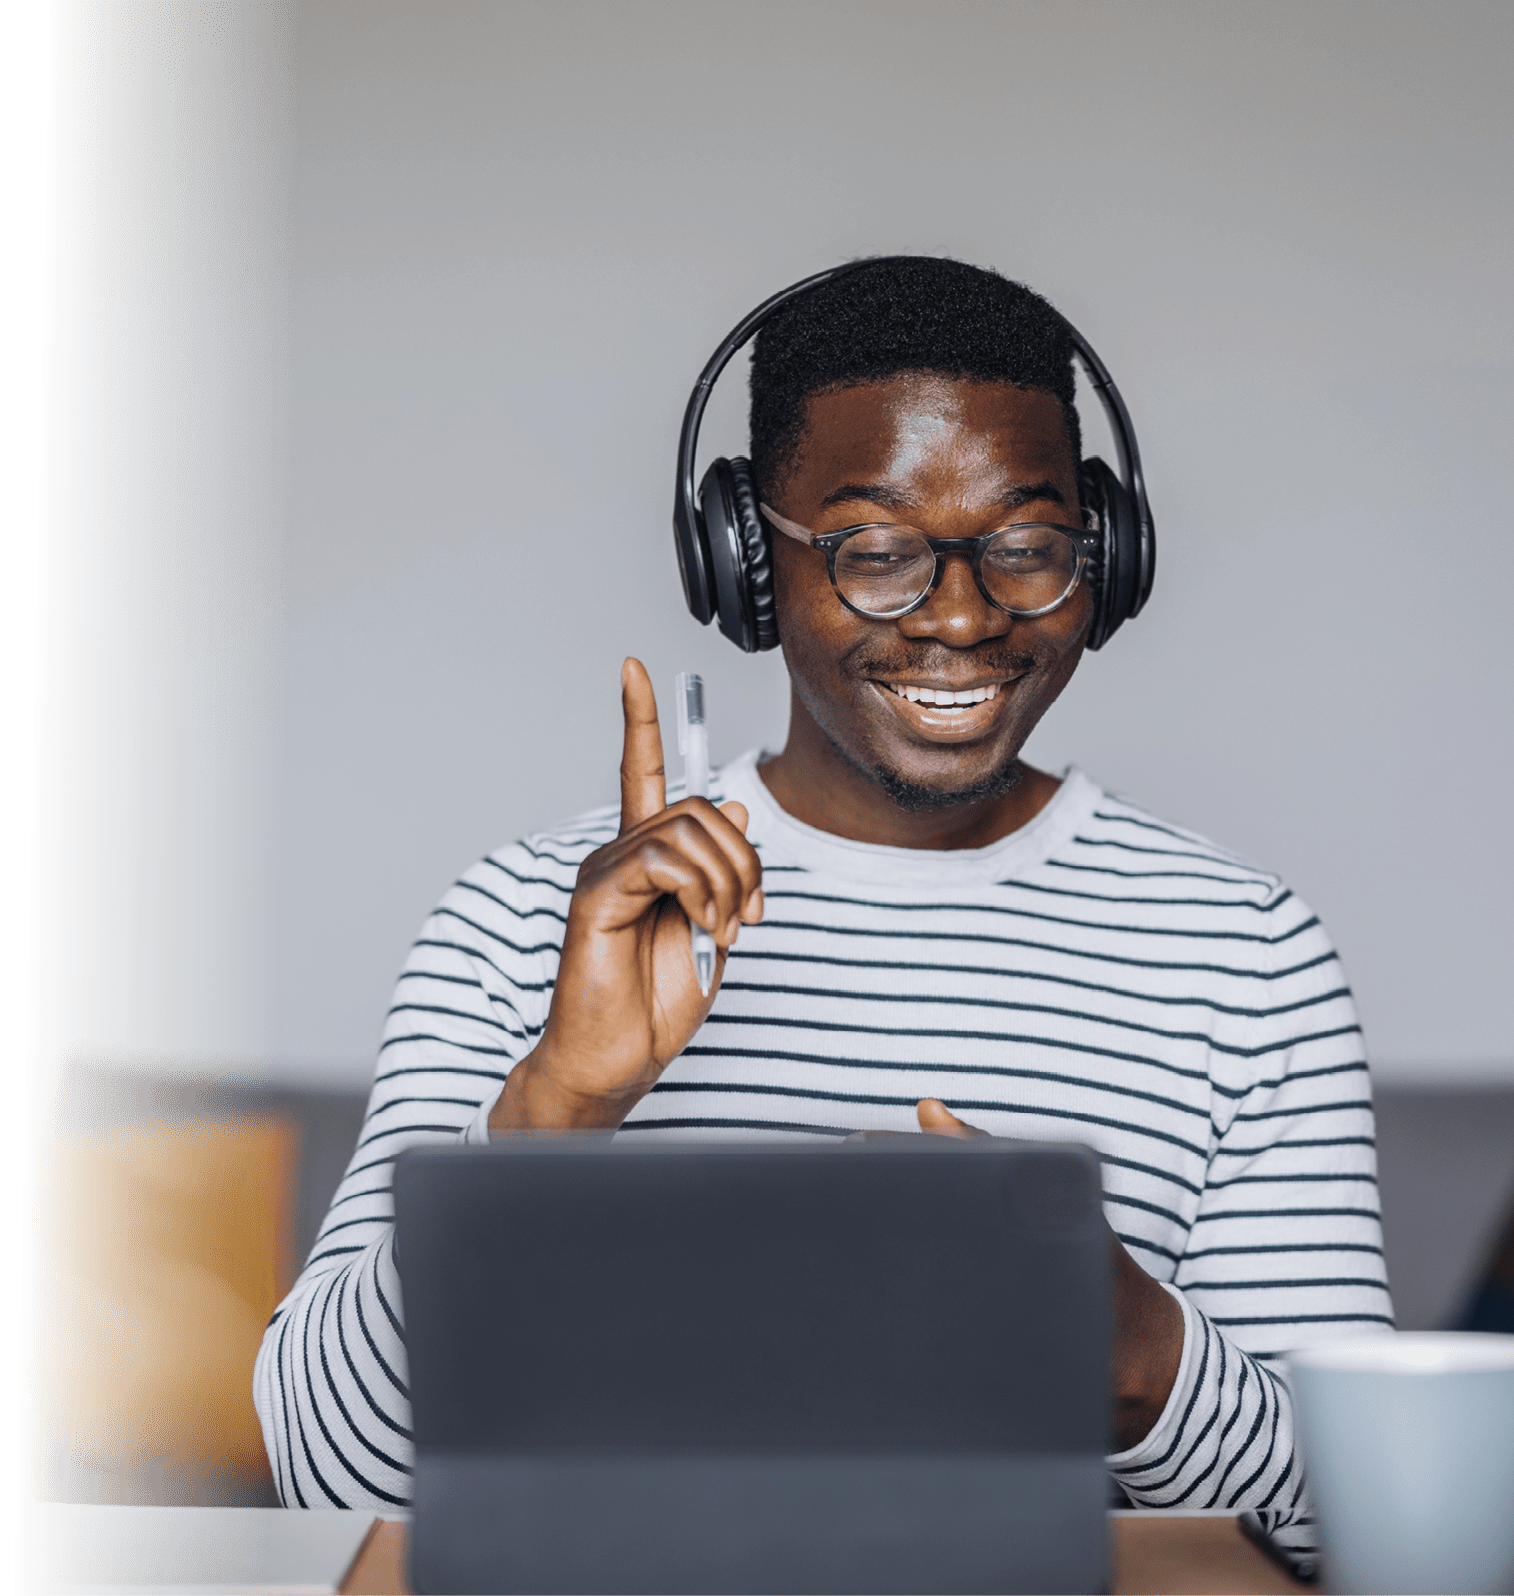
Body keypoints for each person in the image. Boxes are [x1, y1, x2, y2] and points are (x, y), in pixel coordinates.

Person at [255, 257, 1392, 1547]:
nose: (961, 617)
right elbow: (330, 1484)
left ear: (1108, 556)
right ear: (744, 563)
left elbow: (1357, 1527)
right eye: (877, 552)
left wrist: (1140, 1357)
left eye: (1028, 547)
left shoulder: (1244, 954)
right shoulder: (528, 922)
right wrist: (560, 1104)